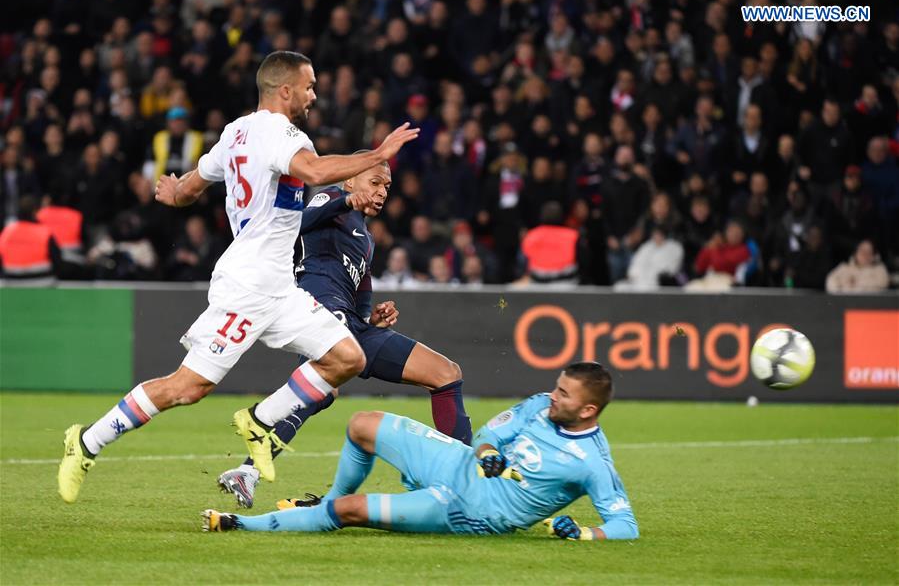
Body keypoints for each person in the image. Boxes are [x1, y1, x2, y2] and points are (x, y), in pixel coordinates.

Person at [57, 51, 420, 503]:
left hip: (279, 287)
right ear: (284, 90)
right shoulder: (280, 133)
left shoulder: (235, 133)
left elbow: (194, 184)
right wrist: (378, 153)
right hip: (248, 284)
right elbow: (314, 171)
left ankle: (260, 421)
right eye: (308, 86)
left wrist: (174, 192)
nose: (313, 95)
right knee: (186, 388)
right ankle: (86, 442)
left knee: (346, 358)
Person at [218, 157, 472, 508]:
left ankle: (465, 481)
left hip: (350, 325)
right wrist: (344, 201)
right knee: (322, 391)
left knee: (446, 374)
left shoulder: (366, 239)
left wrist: (374, 321)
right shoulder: (330, 199)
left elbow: (361, 299)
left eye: (386, 187)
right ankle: (248, 471)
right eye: (374, 183)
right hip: (318, 313)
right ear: (350, 181)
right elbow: (296, 224)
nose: (381, 192)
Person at [203, 362, 639, 542]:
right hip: (456, 461)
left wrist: (585, 534)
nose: (552, 397)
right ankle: (328, 500)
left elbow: (625, 524)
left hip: (470, 509)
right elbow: (490, 432)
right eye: (557, 387)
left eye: (564, 395)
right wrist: (486, 449)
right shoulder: (539, 404)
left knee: (354, 511)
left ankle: (243, 524)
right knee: (362, 424)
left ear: (587, 409)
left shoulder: (592, 464)